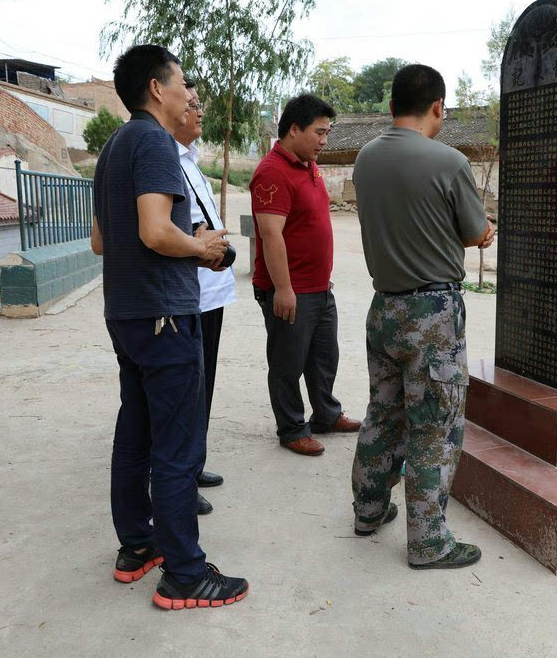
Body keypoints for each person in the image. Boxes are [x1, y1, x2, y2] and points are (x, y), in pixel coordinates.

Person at [91, 44, 248, 610]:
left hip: (127, 313)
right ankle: (185, 572)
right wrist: (201, 247)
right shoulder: (155, 141)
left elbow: (103, 241)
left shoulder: (113, 147)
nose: (188, 92)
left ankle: (137, 545)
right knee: (178, 449)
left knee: (135, 434)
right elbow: (157, 232)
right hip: (164, 315)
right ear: (157, 88)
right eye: (182, 81)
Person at [350, 64, 494, 570]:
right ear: (437, 106)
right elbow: (476, 231)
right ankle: (429, 542)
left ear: (391, 106)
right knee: (435, 426)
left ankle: (368, 509)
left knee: (383, 412)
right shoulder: (449, 161)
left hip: (383, 308)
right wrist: (483, 230)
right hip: (431, 314)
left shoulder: (365, 159)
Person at [250, 94, 360, 457]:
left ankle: (326, 415)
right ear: (294, 129)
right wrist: (282, 288)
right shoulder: (272, 171)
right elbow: (270, 234)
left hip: (319, 288)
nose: (325, 140)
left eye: (328, 132)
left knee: (324, 357)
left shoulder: (308, 165)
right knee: (287, 362)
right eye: (319, 132)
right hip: (291, 290)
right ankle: (292, 428)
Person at [172, 78, 234, 516]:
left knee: (203, 386)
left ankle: (193, 466)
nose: (198, 112)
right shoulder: (165, 160)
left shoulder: (190, 161)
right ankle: (179, 479)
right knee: (185, 392)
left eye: (199, 105)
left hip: (210, 293)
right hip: (189, 294)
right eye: (191, 104)